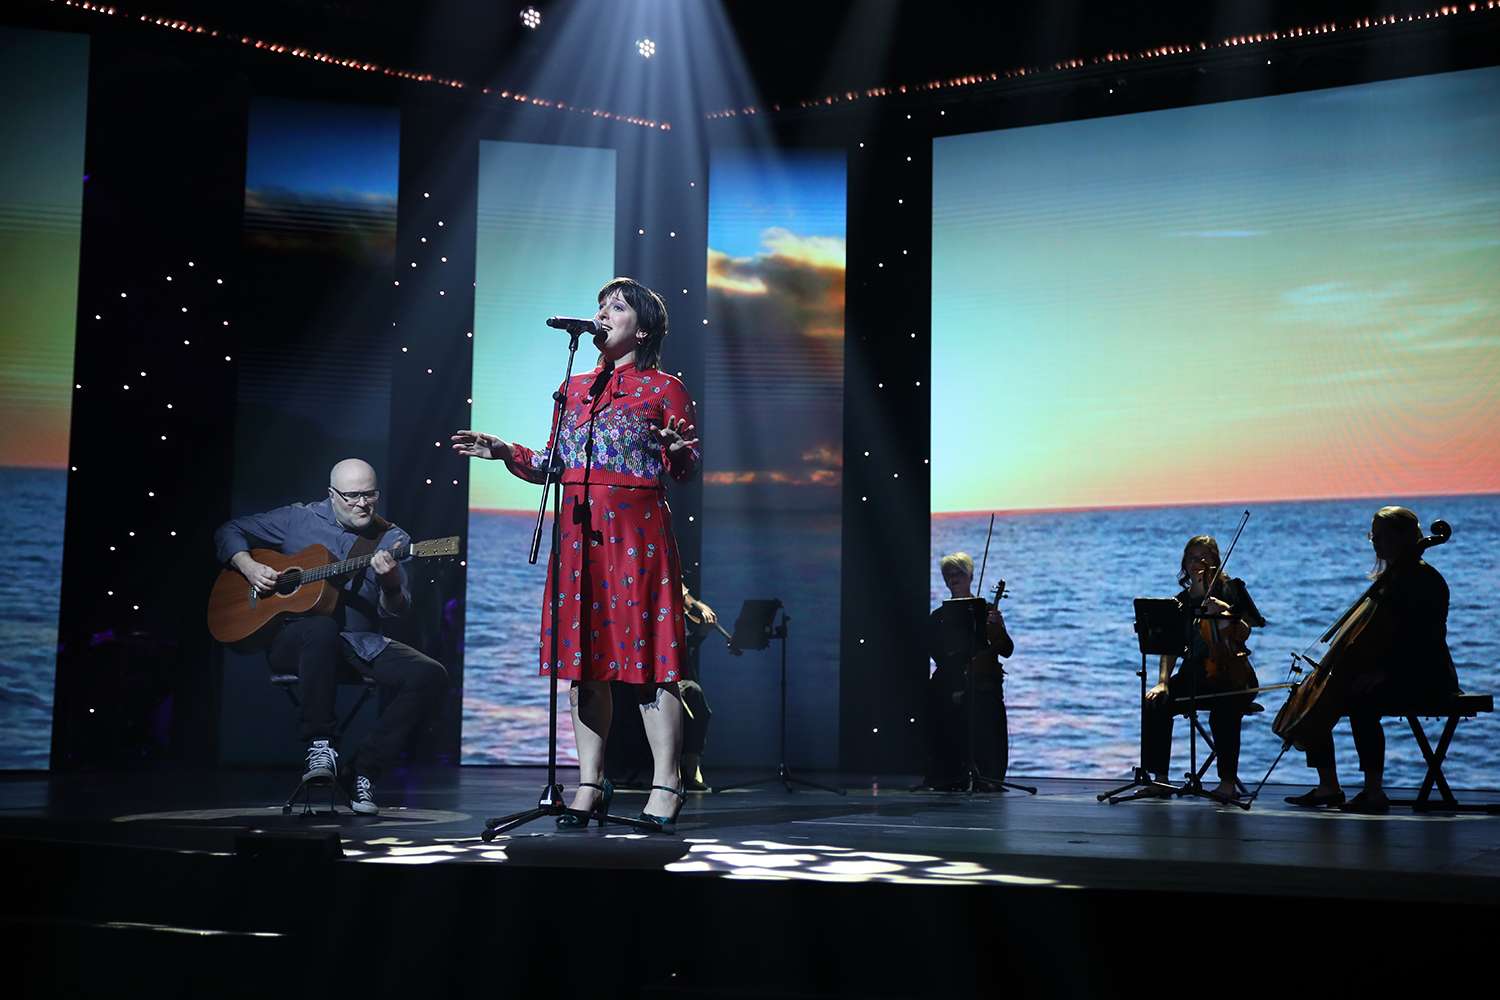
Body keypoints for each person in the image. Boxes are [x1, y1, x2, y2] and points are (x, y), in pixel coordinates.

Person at [453, 277, 699, 833]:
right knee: (583, 666)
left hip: (636, 536)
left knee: (650, 667)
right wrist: (502, 451)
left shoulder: (665, 387)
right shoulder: (575, 388)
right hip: (578, 537)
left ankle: (667, 782)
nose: (603, 314)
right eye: (601, 307)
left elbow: (683, 468)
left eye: (617, 307)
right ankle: (590, 781)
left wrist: (677, 452)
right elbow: (551, 463)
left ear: (644, 326)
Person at [213, 458, 448, 815]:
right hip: (295, 644)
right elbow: (228, 530)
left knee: (430, 673)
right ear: (331, 495)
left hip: (357, 644)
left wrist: (390, 583)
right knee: (319, 626)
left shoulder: (392, 538)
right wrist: (249, 566)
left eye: (369, 495)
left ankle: (362, 771)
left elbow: (396, 611)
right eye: (351, 496)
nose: (362, 504)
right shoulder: (299, 518)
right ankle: (320, 744)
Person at [1286, 506, 1459, 814]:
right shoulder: (1390, 579)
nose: (1375, 542)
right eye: (1372, 536)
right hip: (1392, 671)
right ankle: (1329, 786)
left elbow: (1423, 641)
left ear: (1402, 538)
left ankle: (1373, 792)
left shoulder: (1424, 580)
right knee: (1320, 693)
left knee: (1360, 699)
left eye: (1381, 536)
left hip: (1426, 675)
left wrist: (1383, 673)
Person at [1142, 535, 1266, 800]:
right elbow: (1169, 648)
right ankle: (1160, 779)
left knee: (1224, 708)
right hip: (1196, 674)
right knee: (1156, 701)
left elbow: (1245, 631)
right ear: (1184, 564)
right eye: (1192, 558)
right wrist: (1163, 681)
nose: (1198, 563)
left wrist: (1224, 611)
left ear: (1215, 561)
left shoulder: (1230, 591)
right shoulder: (1179, 603)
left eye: (1204, 557)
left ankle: (1227, 783)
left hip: (1234, 674)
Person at [925, 552, 1012, 789]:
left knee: (985, 698)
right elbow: (937, 654)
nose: (953, 578)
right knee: (940, 694)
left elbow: (1006, 650)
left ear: (971, 576)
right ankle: (950, 773)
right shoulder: (939, 617)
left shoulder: (986, 612)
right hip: (952, 679)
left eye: (959, 573)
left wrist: (996, 628)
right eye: (949, 574)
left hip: (983, 681)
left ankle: (989, 776)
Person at [679, 583, 719, 790]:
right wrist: (697, 606)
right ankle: (685, 769)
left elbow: (688, 644)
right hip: (661, 675)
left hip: (680, 672)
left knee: (698, 706)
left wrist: (704, 630)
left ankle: (691, 767)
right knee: (692, 694)